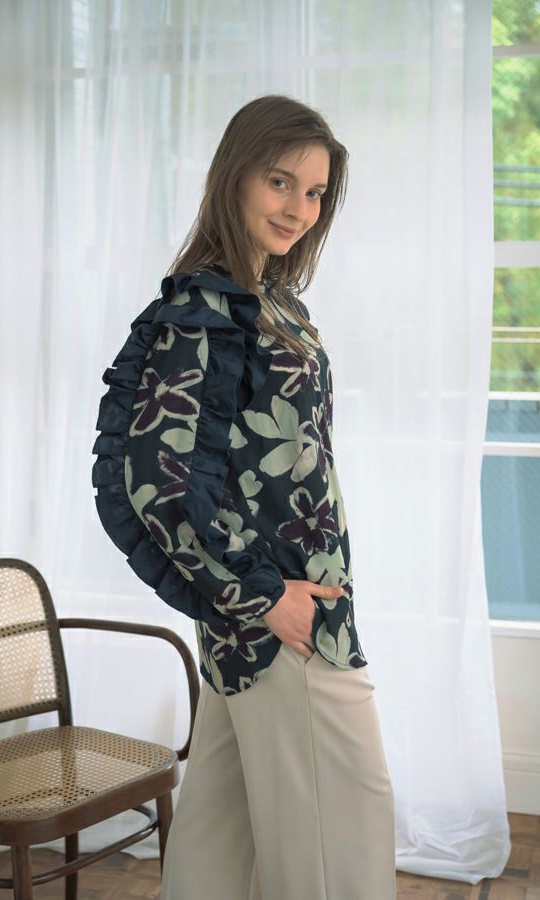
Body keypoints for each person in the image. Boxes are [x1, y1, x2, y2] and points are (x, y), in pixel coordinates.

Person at [92, 93, 396, 900]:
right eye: (279, 182)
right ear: (235, 176)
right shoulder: (205, 311)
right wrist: (263, 597)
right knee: (342, 835)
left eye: (315, 192)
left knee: (219, 840)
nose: (299, 209)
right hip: (282, 617)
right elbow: (157, 482)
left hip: (280, 608)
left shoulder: (274, 301)